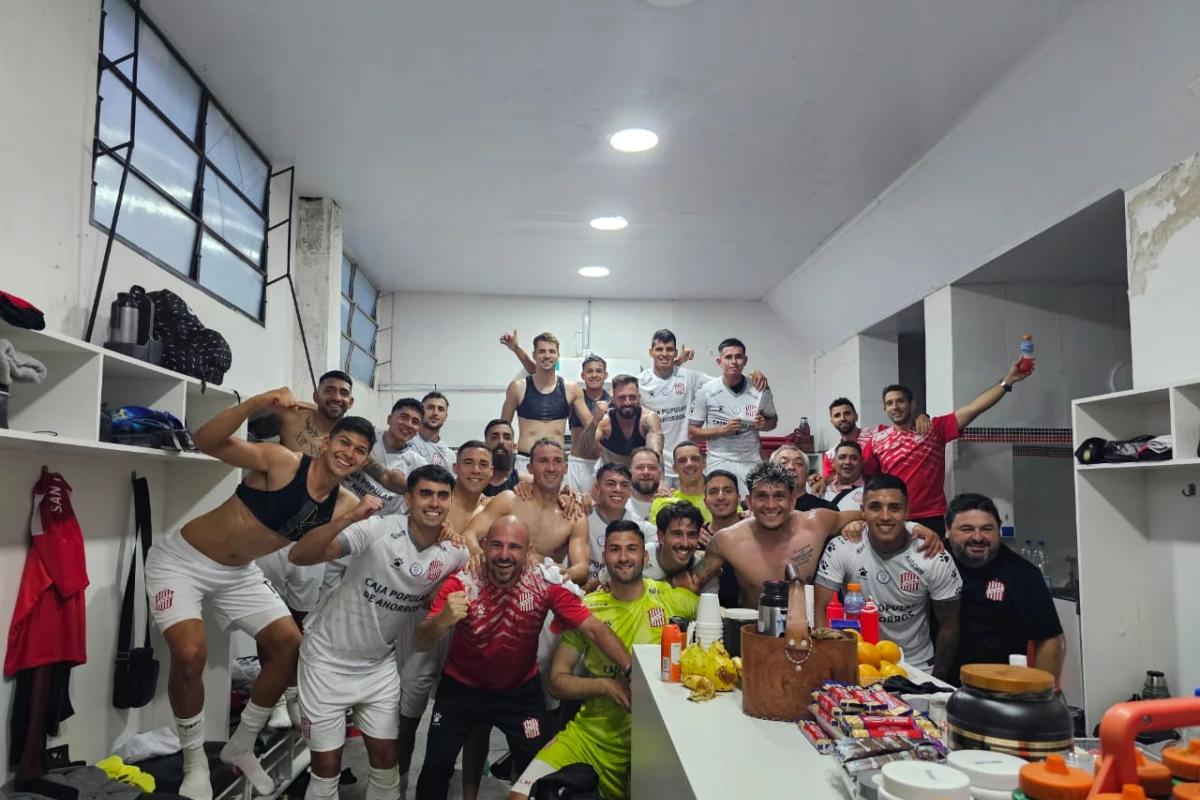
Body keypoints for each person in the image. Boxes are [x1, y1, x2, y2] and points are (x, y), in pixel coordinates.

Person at [143, 388, 379, 800]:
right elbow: (206, 441)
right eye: (344, 442)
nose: (349, 453)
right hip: (181, 562)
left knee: (289, 646)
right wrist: (254, 404)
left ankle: (243, 741)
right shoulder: (282, 462)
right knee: (189, 655)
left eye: (359, 450)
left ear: (363, 461)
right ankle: (194, 759)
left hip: (238, 574)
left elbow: (309, 555)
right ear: (326, 442)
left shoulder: (346, 504)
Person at [412, 516, 633, 800]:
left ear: (528, 551)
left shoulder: (545, 582)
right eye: (497, 546)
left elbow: (593, 628)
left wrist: (630, 671)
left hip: (519, 693)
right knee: (435, 768)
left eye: (514, 547)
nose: (504, 555)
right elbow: (420, 642)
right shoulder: (462, 582)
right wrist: (442, 619)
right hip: (461, 690)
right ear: (484, 546)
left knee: (538, 773)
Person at [287, 465, 470, 800]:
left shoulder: (456, 552)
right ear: (409, 498)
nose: (434, 502)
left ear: (450, 502)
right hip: (325, 661)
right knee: (327, 768)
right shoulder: (377, 529)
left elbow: (434, 595)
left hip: (377, 666)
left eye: (443, 495)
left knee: (388, 761)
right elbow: (300, 555)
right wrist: (349, 517)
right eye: (426, 493)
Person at [509, 520, 699, 800]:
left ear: (645, 557)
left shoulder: (672, 599)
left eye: (632, 549)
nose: (623, 558)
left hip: (655, 745)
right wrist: (607, 686)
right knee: (518, 796)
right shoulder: (588, 608)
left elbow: (727, 623)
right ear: (604, 557)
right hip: (592, 736)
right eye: (615, 550)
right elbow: (557, 683)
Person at [677, 463, 944, 608]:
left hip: (807, 631)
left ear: (793, 500)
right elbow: (693, 581)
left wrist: (914, 527)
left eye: (779, 496)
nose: (771, 505)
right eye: (762, 497)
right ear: (748, 501)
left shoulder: (817, 522)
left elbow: (874, 516)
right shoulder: (726, 540)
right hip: (751, 632)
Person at [815, 474, 962, 681]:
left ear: (907, 512)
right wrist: (830, 663)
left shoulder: (932, 555)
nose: (885, 516)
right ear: (863, 511)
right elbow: (821, 610)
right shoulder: (843, 547)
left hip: (917, 667)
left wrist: (936, 681)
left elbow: (949, 626)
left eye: (894, 508)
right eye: (875, 507)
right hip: (859, 665)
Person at [860, 361, 1034, 535]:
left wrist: (1008, 380)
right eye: (890, 403)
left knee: (932, 562)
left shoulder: (934, 429)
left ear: (912, 404)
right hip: (893, 516)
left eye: (900, 401)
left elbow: (973, 408)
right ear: (884, 409)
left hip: (931, 516)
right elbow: (868, 481)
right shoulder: (876, 441)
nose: (895, 407)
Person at [945, 493, 1064, 682]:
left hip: (1000, 688)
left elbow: (1048, 639)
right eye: (966, 529)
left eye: (987, 529)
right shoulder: (932, 563)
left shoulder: (1023, 574)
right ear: (947, 530)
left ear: (998, 530)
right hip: (934, 683)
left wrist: (1042, 696)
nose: (977, 537)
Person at [637, 329, 768, 488]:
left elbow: (726, 382)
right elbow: (616, 395)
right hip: (655, 465)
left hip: (686, 464)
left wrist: (754, 373)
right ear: (651, 352)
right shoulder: (640, 381)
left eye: (669, 349)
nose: (664, 353)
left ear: (675, 352)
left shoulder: (690, 377)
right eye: (659, 349)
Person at [249, 370, 408, 494]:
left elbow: (386, 477)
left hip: (317, 511)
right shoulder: (288, 419)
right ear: (316, 396)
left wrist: (418, 490)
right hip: (276, 498)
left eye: (344, 393)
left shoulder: (354, 440)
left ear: (350, 402)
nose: (337, 397)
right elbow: (249, 434)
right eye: (329, 390)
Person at [688, 338, 778, 493]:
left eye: (738, 356)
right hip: (719, 459)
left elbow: (773, 421)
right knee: (721, 506)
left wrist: (764, 424)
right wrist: (722, 430)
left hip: (751, 459)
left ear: (745, 360)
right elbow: (692, 433)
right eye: (728, 357)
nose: (734, 361)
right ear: (719, 361)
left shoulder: (759, 387)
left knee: (753, 507)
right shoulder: (706, 391)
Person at [500, 332, 594, 472]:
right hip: (525, 461)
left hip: (556, 462)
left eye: (552, 351)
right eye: (542, 351)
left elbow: (590, 424)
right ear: (534, 355)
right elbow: (502, 427)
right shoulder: (518, 388)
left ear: (558, 355)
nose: (547, 356)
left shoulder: (571, 389)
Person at [342, 397, 428, 514]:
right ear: (389, 419)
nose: (408, 424)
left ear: (418, 430)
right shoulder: (366, 437)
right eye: (404, 417)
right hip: (346, 512)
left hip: (383, 525)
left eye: (415, 422)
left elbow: (424, 495)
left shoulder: (418, 463)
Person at [816, 397, 929, 481]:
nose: (842, 418)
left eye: (847, 413)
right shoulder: (830, 455)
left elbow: (904, 429)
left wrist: (921, 417)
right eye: (837, 415)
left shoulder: (879, 432)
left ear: (856, 416)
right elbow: (830, 483)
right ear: (832, 422)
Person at [585, 463, 655, 588]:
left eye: (624, 485)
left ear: (630, 492)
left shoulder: (641, 527)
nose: (618, 489)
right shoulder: (582, 518)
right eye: (610, 483)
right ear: (598, 488)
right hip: (585, 594)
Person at [576, 374, 664, 467]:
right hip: (610, 474)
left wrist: (660, 480)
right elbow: (583, 449)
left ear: (639, 397)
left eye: (632, 397)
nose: (627, 403)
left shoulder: (648, 419)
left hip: (639, 475)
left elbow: (655, 456)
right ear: (613, 399)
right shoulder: (605, 421)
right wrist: (595, 420)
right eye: (622, 398)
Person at [648, 441, 713, 525]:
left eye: (695, 459)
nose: (689, 464)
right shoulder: (662, 503)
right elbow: (658, 536)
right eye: (682, 461)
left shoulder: (720, 500)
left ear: (704, 463)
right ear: (674, 468)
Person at [770, 445, 837, 512]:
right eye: (784, 463)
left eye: (798, 463)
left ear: (807, 473)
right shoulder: (765, 508)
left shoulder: (826, 509)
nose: (791, 467)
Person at [410, 392, 456, 469]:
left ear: (445, 417)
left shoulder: (449, 455)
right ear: (421, 412)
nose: (435, 413)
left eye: (440, 409)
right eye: (430, 408)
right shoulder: (406, 442)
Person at [483, 418, 524, 497]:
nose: (501, 441)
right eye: (494, 437)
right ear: (485, 445)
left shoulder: (526, 482)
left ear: (514, 447)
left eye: (507, 438)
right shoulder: (470, 482)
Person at [822, 440, 866, 511]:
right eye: (842, 457)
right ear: (833, 462)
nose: (847, 462)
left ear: (861, 462)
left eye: (854, 458)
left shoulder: (869, 492)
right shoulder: (821, 489)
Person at [626, 447, 665, 519]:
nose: (646, 472)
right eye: (640, 467)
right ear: (629, 473)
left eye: (652, 467)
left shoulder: (670, 504)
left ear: (660, 474)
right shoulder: (620, 506)